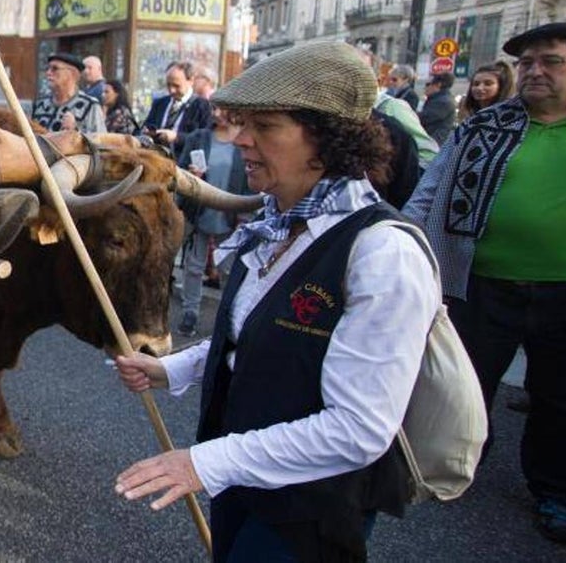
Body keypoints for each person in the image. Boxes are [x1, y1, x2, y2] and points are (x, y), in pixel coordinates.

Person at [114, 40, 436, 562]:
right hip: (245, 480)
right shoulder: (273, 222)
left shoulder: (383, 252)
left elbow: (359, 430)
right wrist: (172, 369)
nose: (240, 140)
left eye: (264, 127)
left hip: (311, 510)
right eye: (242, 123)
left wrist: (204, 463)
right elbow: (259, 335)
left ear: (328, 140)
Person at [403, 22, 566, 547]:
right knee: (464, 383)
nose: (535, 71)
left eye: (551, 61)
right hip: (481, 284)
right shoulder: (483, 126)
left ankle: (558, 492)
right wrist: (400, 242)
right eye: (527, 63)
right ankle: (454, 465)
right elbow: (430, 190)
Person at [174, 103, 248, 336]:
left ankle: (230, 316)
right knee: (194, 265)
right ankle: (190, 313)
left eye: (219, 109)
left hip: (231, 212)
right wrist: (190, 175)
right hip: (200, 209)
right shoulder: (199, 137)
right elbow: (180, 170)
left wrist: (247, 213)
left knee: (229, 267)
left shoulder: (246, 138)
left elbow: (251, 177)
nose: (214, 113)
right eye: (213, 108)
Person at [141, 61, 212, 156]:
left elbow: (205, 139)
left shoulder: (203, 107)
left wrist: (177, 137)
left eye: (176, 86)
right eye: (168, 85)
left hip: (183, 164)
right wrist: (148, 132)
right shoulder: (160, 103)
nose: (171, 90)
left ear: (191, 81)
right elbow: (147, 125)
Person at [30, 52, 105, 133]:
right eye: (47, 68)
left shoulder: (90, 105)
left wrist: (75, 130)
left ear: (73, 74)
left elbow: (102, 142)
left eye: (55, 69)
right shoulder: (39, 105)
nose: (48, 73)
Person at [418, 72, 457, 145]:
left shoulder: (443, 102)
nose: (425, 87)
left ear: (438, 84)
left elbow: (423, 118)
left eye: (428, 84)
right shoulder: (437, 99)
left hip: (434, 144)